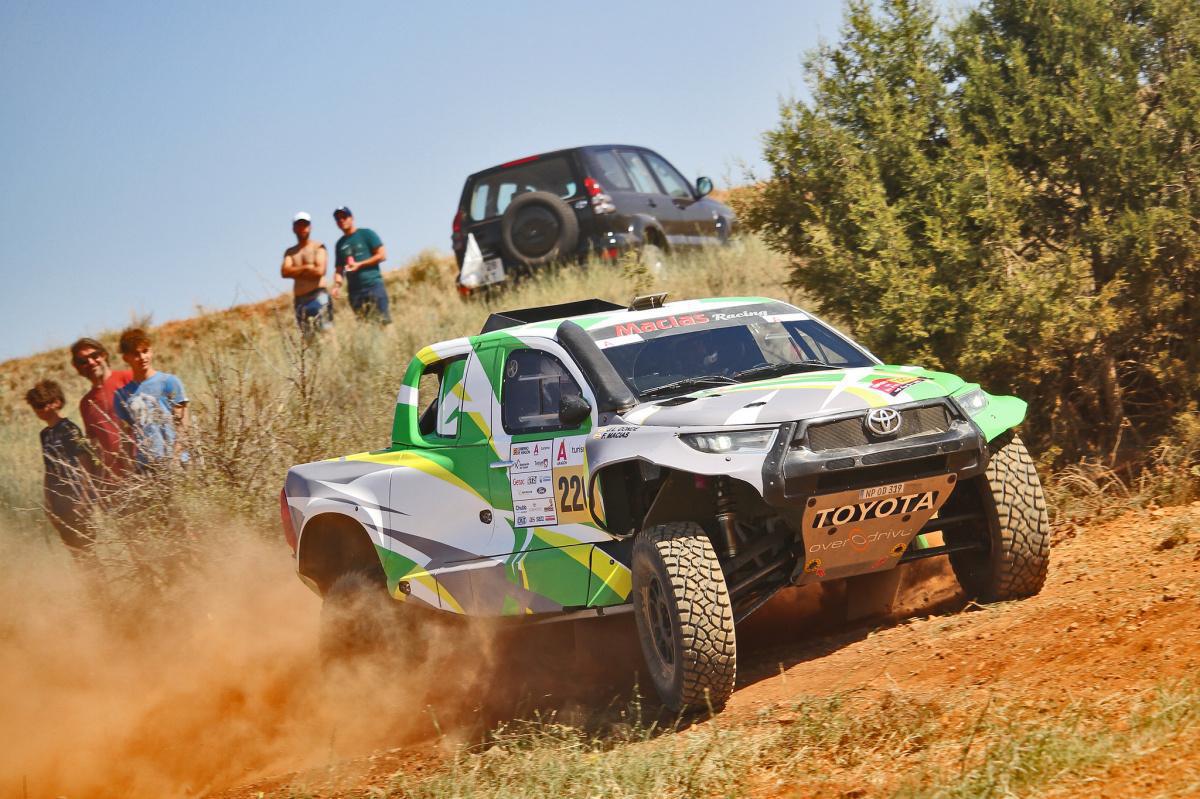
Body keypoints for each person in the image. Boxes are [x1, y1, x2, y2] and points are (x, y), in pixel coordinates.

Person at [26, 379, 98, 556]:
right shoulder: (44, 435)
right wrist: (48, 503)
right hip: (59, 500)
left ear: (56, 402)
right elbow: (49, 469)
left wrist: (84, 499)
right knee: (74, 550)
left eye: (42, 404)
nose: (39, 410)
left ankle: (99, 583)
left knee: (87, 549)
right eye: (35, 405)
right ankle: (88, 584)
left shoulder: (69, 429)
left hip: (76, 495)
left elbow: (85, 464)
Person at [113, 327, 190, 470]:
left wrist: (175, 458)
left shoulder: (169, 382)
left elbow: (183, 426)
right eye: (136, 354)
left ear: (151, 350)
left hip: (178, 463)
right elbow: (126, 437)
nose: (143, 357)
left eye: (145, 351)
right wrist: (130, 467)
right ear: (126, 358)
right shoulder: (122, 395)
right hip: (147, 467)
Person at [70, 336, 133, 482]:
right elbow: (96, 446)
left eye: (94, 356)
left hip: (145, 468)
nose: (91, 362)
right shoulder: (86, 403)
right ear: (77, 367)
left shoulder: (128, 379)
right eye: (83, 361)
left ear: (104, 355)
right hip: (118, 483)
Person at [332, 206, 391, 324]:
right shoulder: (340, 244)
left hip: (373, 286)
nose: (341, 220)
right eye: (338, 219)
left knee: (384, 323)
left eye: (344, 217)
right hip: (354, 292)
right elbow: (339, 269)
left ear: (351, 218)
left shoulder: (366, 234)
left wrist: (360, 264)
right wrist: (337, 286)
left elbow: (382, 255)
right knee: (364, 327)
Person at [280, 211, 334, 337]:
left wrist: (296, 271)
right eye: (299, 225)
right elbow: (285, 271)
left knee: (327, 333)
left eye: (305, 225)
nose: (302, 228)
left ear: (310, 227)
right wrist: (307, 267)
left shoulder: (318, 247)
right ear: (294, 228)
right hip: (300, 301)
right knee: (307, 338)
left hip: (318, 295)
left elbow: (320, 271)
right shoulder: (291, 252)